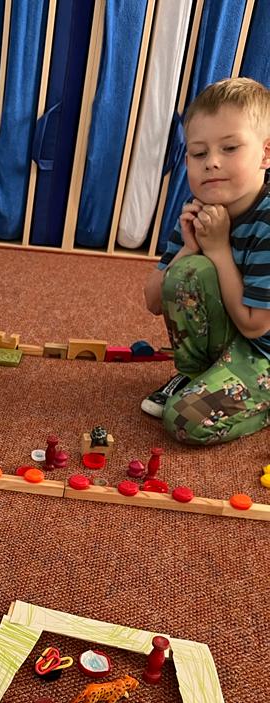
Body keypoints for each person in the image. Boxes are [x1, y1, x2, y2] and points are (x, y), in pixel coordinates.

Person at [142, 77, 270, 444]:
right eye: (199, 153)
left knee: (184, 420)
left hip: (263, 349)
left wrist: (217, 250)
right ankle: (197, 373)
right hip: (233, 339)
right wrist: (189, 248)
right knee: (187, 271)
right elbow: (153, 300)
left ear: (266, 154)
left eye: (229, 148)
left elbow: (255, 327)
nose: (212, 162)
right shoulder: (198, 210)